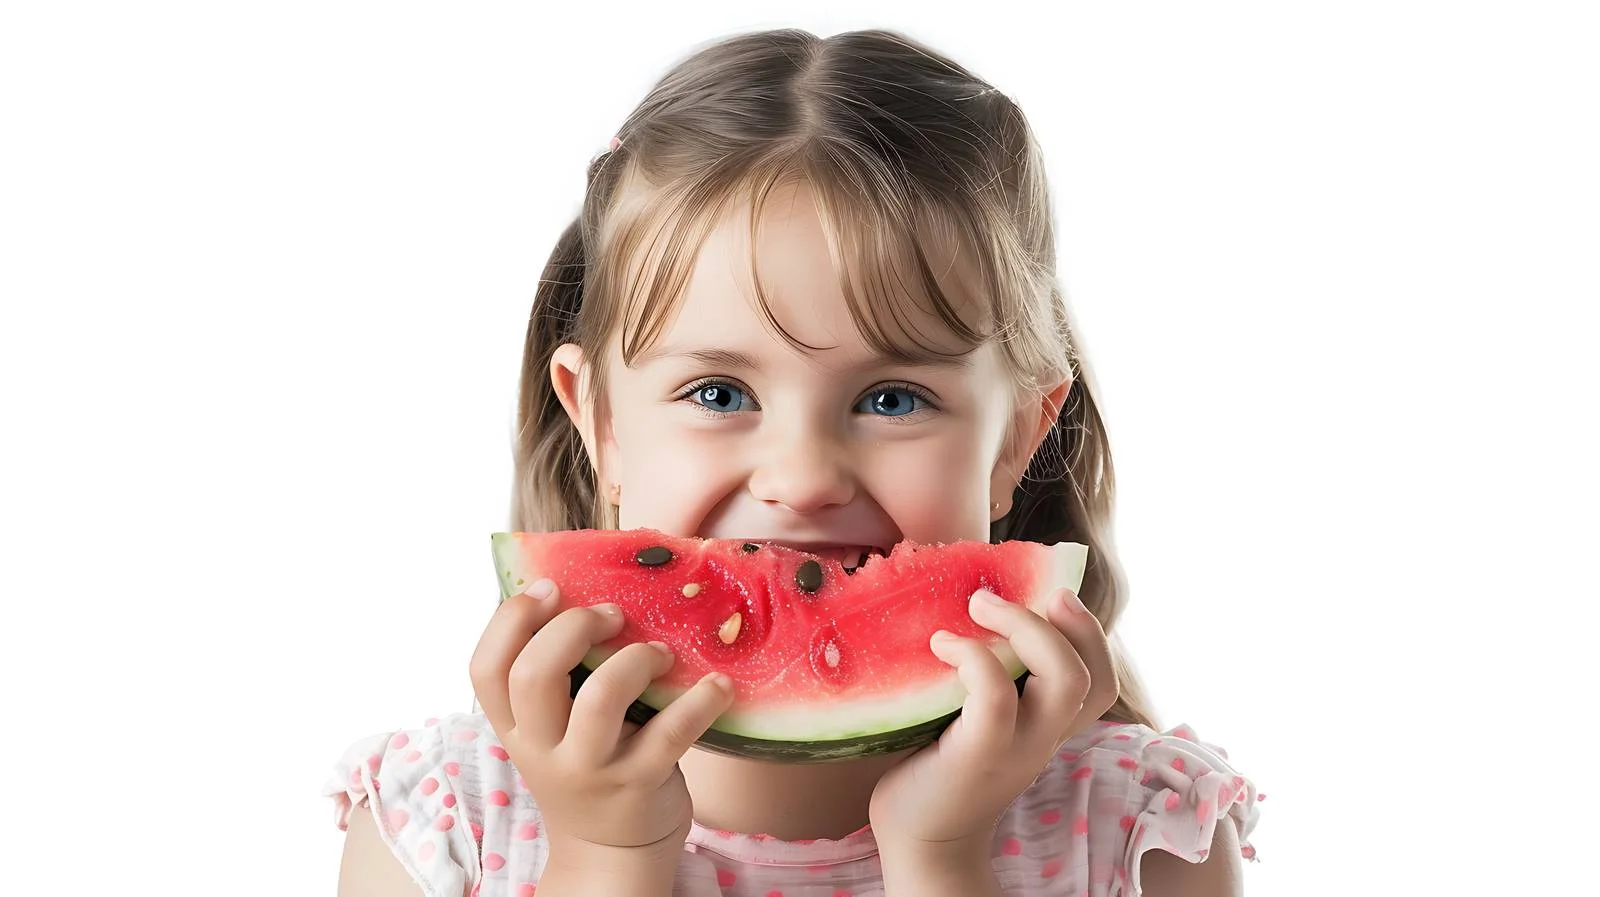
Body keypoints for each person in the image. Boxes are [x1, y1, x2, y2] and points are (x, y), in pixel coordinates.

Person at [325, 26, 1263, 897]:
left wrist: (940, 856)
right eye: (719, 394)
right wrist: (607, 854)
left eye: (892, 399)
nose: (805, 475)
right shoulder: (444, 821)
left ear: (1016, 437)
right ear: (600, 423)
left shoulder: (1142, 830)